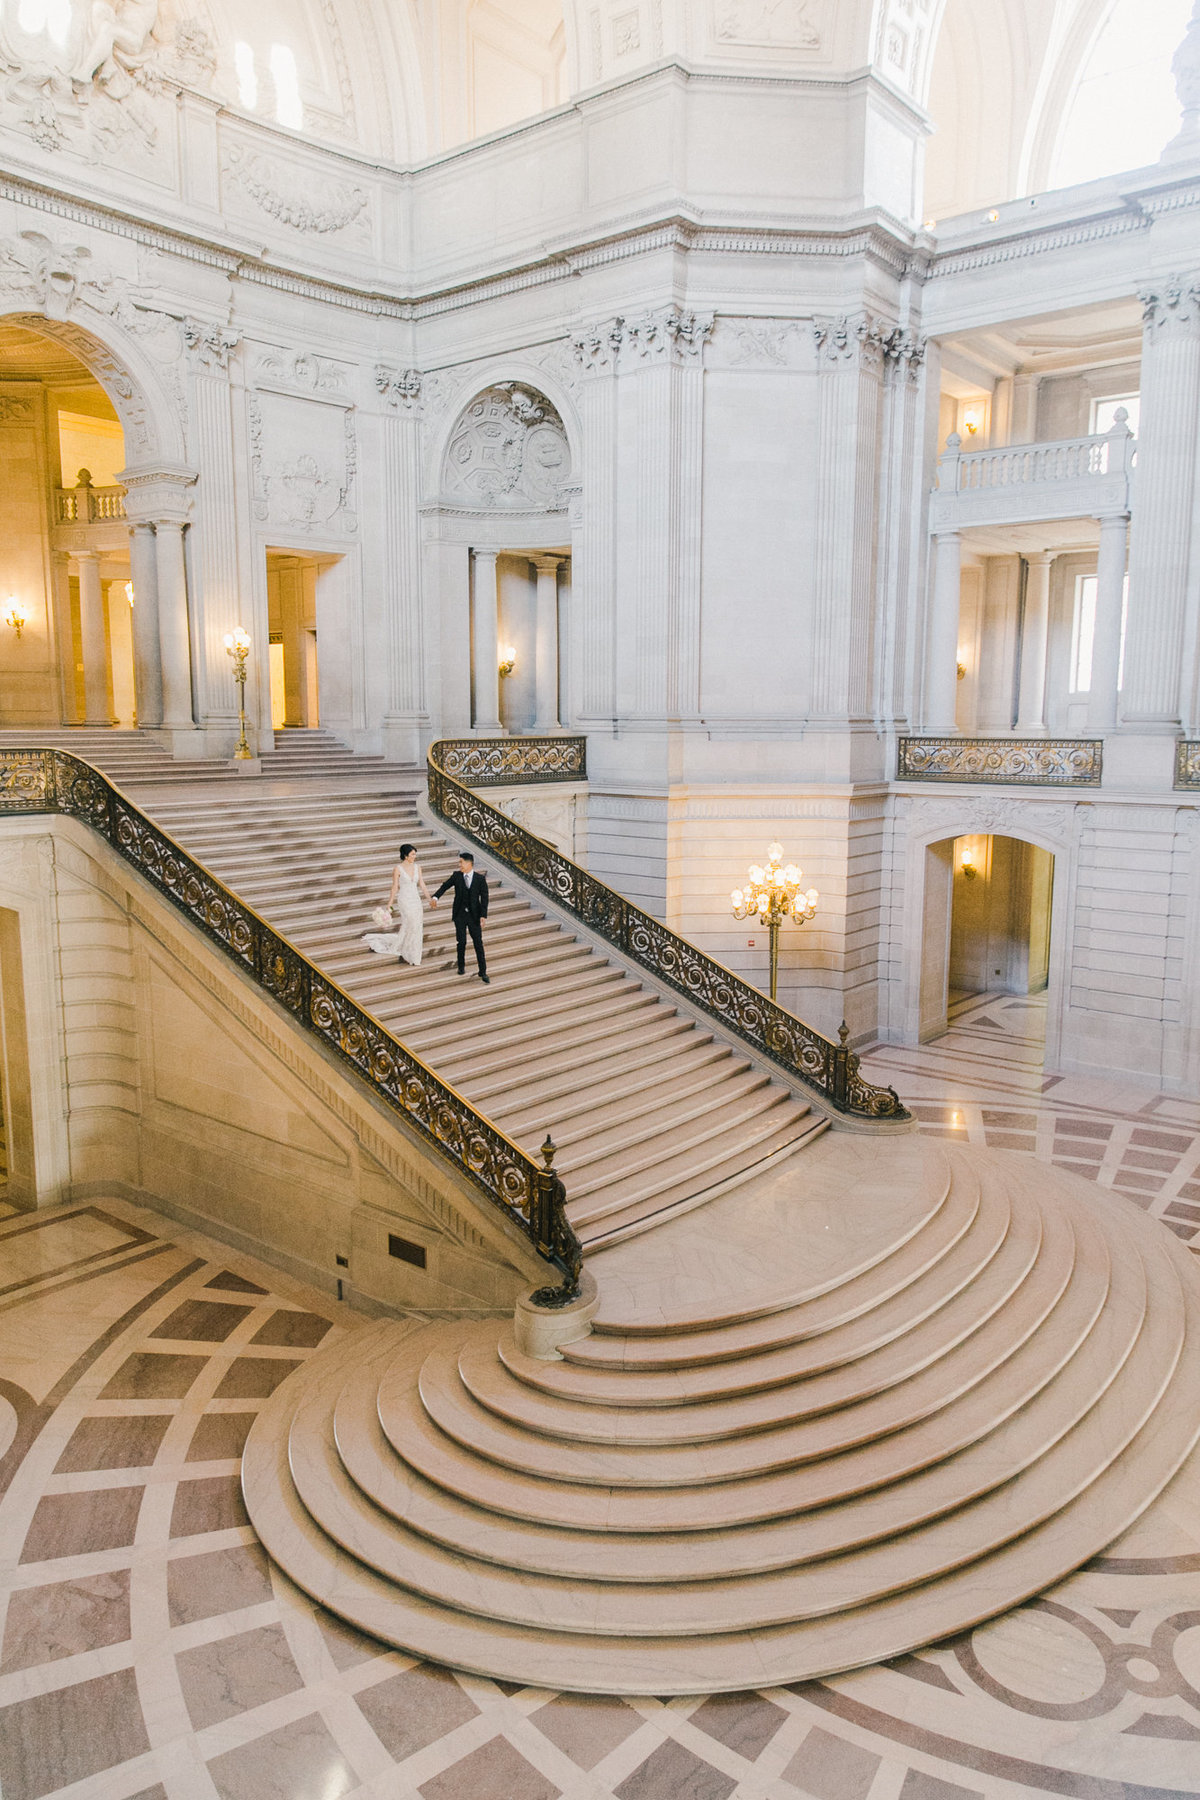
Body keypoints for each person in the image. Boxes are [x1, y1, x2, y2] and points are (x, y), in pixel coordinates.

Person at [362, 843, 431, 965]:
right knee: (411, 922)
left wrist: (430, 899)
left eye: (415, 854)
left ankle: (413, 953)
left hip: (416, 899)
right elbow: (394, 887)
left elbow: (422, 884)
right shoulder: (397, 869)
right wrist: (390, 904)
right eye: (412, 854)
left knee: (417, 925)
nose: (414, 856)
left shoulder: (417, 867)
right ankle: (407, 951)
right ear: (405, 856)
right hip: (404, 899)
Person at [432, 851, 490, 983]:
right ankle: (461, 966)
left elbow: (485, 898)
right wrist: (436, 897)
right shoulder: (456, 876)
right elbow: (445, 886)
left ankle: (483, 971)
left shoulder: (480, 879)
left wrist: (483, 915)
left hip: (474, 916)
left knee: (478, 943)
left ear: (469, 863)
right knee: (461, 941)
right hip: (459, 914)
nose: (460, 865)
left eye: (461, 862)